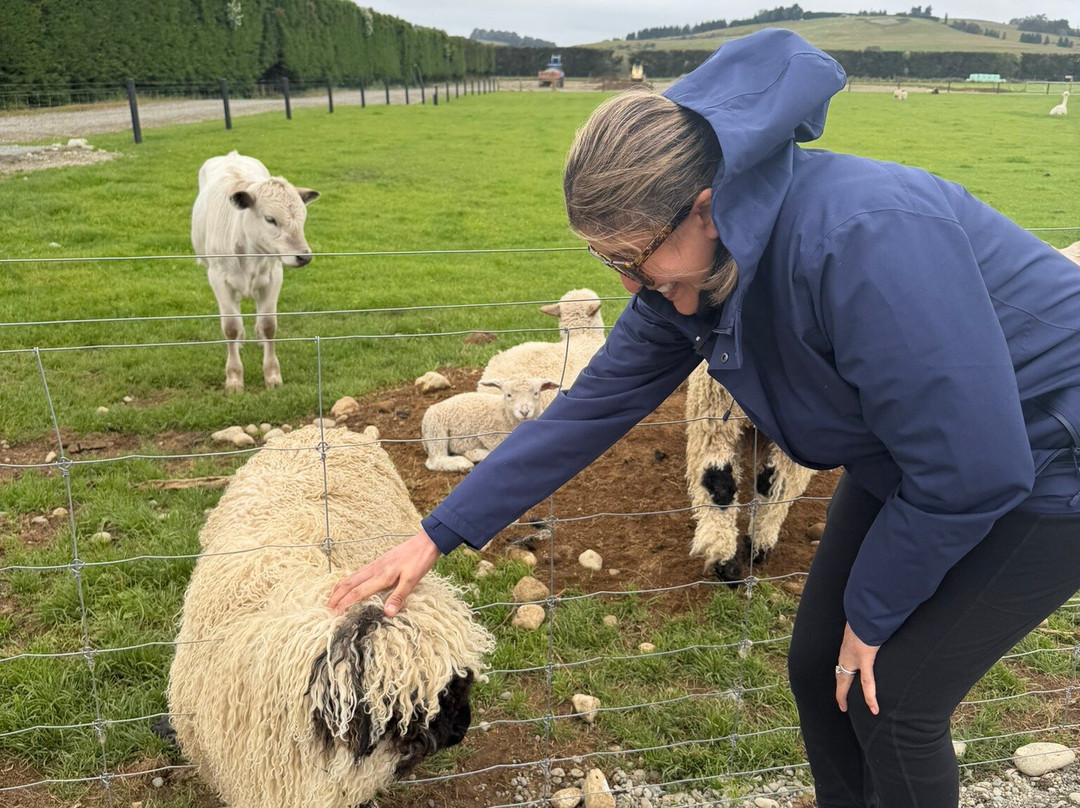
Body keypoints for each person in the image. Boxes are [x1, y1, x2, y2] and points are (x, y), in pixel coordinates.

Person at [329, 28, 1080, 808]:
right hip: (914, 455)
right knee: (818, 670)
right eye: (607, 261)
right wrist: (434, 535)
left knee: (893, 696)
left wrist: (874, 615)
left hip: (1049, 456)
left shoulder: (862, 240)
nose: (628, 283)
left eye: (633, 256)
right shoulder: (689, 283)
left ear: (707, 209)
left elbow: (974, 467)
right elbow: (588, 409)